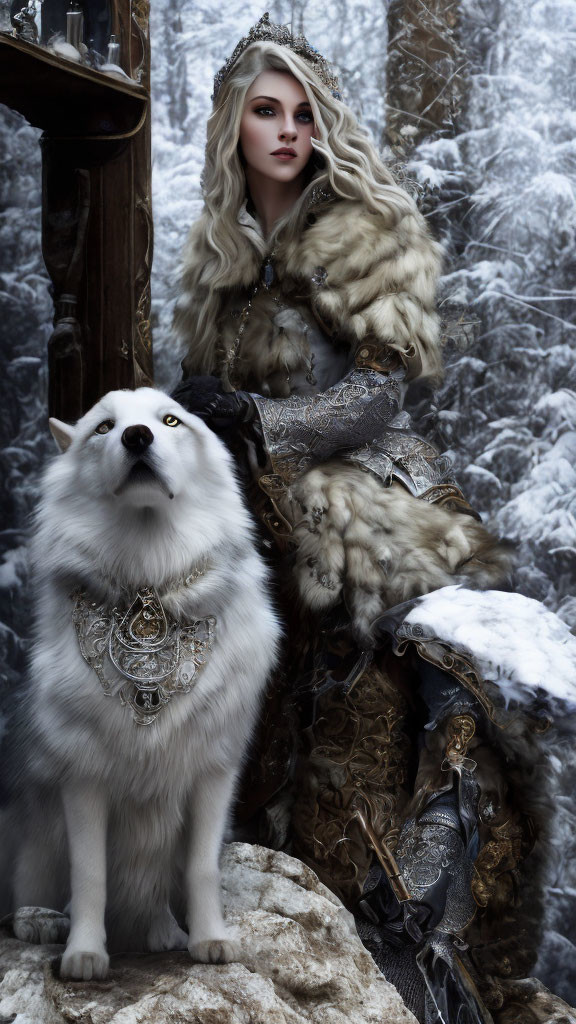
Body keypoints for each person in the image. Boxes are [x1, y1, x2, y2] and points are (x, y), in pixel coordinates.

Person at [171, 16, 556, 1024]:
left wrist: (258, 417)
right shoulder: (215, 258)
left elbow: (380, 393)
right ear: (233, 125)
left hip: (377, 500)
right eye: (266, 111)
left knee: (434, 716)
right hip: (255, 521)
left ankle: (433, 900)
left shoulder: (364, 227)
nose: (288, 130)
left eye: (303, 112)